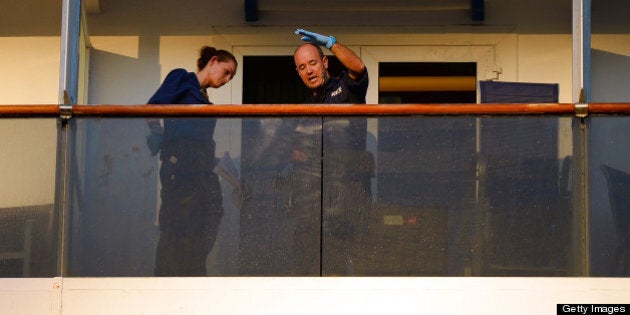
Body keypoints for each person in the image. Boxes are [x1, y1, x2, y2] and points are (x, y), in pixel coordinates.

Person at [288, 29, 374, 275]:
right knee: (307, 268)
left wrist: (331, 43)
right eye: (302, 67)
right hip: (313, 203)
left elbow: (358, 67)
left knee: (342, 272)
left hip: (349, 201)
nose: (309, 71)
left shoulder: (346, 89)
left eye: (313, 63)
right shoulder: (304, 108)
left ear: (325, 63)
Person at [146, 46, 237, 276]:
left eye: (231, 77)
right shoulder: (182, 78)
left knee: (209, 217)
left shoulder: (205, 98)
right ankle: (169, 280)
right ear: (213, 61)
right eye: (226, 72)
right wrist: (158, 135)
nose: (227, 80)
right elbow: (153, 107)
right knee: (178, 224)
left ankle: (193, 273)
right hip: (182, 168)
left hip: (203, 169)